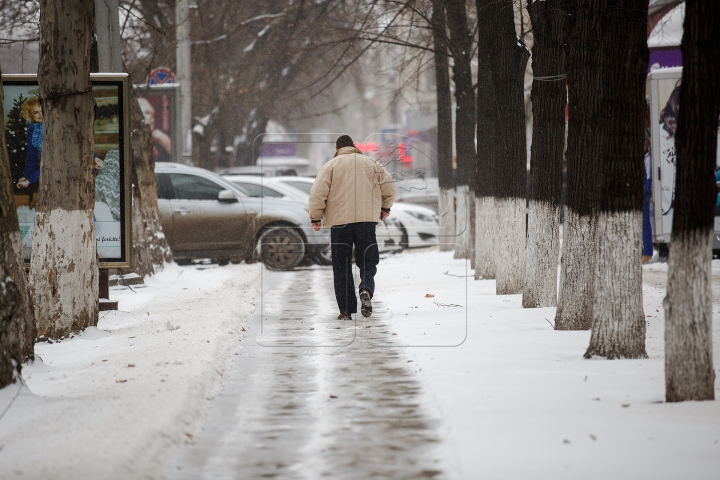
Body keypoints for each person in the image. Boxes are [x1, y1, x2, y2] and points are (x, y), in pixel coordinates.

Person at [309, 135, 396, 319]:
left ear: (337, 148)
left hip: (340, 225)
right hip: (366, 222)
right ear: (353, 146)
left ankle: (346, 310)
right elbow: (389, 187)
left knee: (341, 266)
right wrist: (385, 206)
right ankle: (366, 288)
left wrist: (316, 217)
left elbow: (318, 193)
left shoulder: (330, 166)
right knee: (367, 260)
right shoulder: (371, 163)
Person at [17, 96, 43, 189]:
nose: (41, 115)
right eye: (36, 112)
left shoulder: (58, 127)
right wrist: (26, 177)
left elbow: (53, 161)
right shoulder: (31, 132)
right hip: (45, 172)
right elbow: (32, 158)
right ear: (30, 114)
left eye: (42, 110)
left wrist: (30, 179)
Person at [137, 97, 172, 162]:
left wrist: (159, 136)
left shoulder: (158, 137)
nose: (143, 116)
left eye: (147, 113)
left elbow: (176, 153)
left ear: (153, 119)